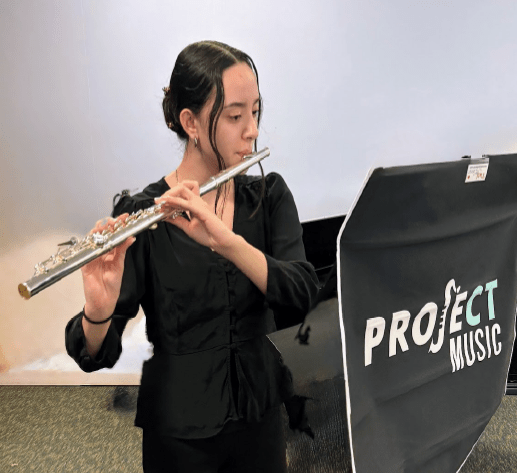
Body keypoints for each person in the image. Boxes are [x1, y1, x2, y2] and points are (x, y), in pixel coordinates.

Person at [65, 40, 319, 472]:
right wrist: (99, 311)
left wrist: (227, 242)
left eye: (256, 112)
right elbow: (95, 354)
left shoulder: (269, 195)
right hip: (180, 432)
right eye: (235, 116)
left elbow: (301, 293)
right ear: (191, 122)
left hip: (260, 415)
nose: (252, 130)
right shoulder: (144, 215)